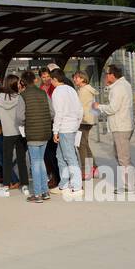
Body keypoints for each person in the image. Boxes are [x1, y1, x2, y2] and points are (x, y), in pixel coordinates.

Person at [97, 64, 135, 192]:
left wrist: (99, 107)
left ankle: (128, 186)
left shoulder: (118, 88)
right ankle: (133, 178)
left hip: (121, 126)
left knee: (122, 157)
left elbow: (113, 108)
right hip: (124, 125)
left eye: (107, 74)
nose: (105, 76)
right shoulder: (122, 85)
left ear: (112, 75)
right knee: (121, 155)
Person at [19, 70, 53, 202]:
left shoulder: (23, 95)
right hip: (45, 131)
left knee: (35, 162)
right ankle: (45, 191)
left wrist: (28, 122)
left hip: (32, 133)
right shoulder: (43, 93)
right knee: (41, 161)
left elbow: (20, 117)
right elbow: (52, 112)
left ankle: (38, 194)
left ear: (23, 82)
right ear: (34, 80)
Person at [49, 67, 84, 196]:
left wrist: (55, 131)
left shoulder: (57, 92)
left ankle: (77, 186)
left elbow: (59, 113)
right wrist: (77, 123)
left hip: (65, 128)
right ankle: (64, 184)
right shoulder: (71, 90)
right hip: (73, 126)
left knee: (69, 157)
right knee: (60, 156)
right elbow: (80, 109)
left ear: (54, 79)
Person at [0, 75, 28, 197]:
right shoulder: (20, 97)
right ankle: (25, 186)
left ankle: (6, 186)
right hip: (19, 131)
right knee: (21, 160)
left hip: (7, 132)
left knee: (6, 160)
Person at [71, 71, 99, 184]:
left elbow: (79, 107)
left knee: (81, 146)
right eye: (75, 78)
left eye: (77, 78)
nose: (75, 80)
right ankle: (94, 168)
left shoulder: (83, 91)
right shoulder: (88, 89)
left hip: (83, 120)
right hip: (88, 120)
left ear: (83, 79)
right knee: (85, 144)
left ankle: (85, 170)